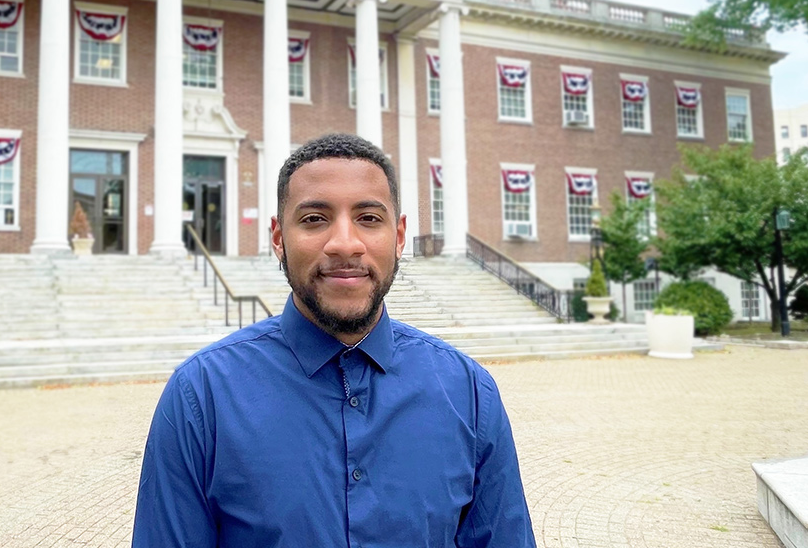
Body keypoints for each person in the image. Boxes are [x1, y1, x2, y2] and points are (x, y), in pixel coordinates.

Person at [132, 133, 535, 547]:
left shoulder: (469, 393)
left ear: (399, 237)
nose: (345, 243)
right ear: (277, 238)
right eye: (314, 219)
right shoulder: (201, 398)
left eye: (369, 218)